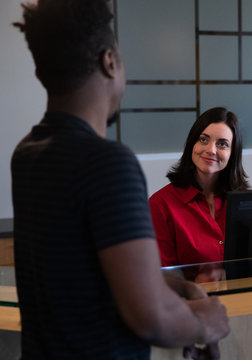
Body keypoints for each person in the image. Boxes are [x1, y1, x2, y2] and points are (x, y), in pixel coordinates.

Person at [11, 1, 229, 359]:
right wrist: (207, 323)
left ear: (41, 74)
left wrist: (175, 289)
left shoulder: (28, 153)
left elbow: (88, 274)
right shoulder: (108, 162)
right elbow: (151, 319)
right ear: (110, 61)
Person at [149, 107, 250, 266]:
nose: (211, 150)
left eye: (222, 144)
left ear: (233, 154)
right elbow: (163, 276)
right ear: (192, 145)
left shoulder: (245, 202)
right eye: (203, 139)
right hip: (190, 291)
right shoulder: (160, 205)